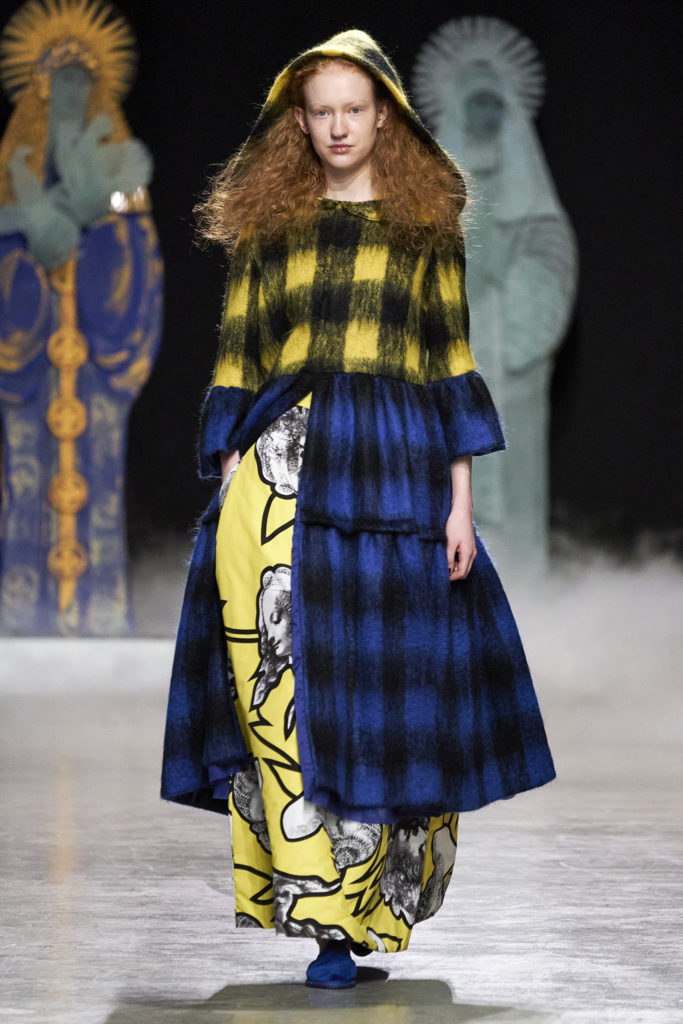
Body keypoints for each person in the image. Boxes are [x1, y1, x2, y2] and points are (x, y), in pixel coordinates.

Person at [161, 28, 556, 990]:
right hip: (281, 477)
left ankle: (368, 910)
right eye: (321, 111)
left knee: (386, 691)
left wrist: (459, 504)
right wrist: (228, 477)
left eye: (353, 109)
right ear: (299, 122)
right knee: (287, 687)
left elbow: (449, 359)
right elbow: (238, 353)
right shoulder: (271, 225)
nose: (337, 126)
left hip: (394, 469)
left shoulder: (426, 225)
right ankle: (325, 927)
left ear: (384, 116)